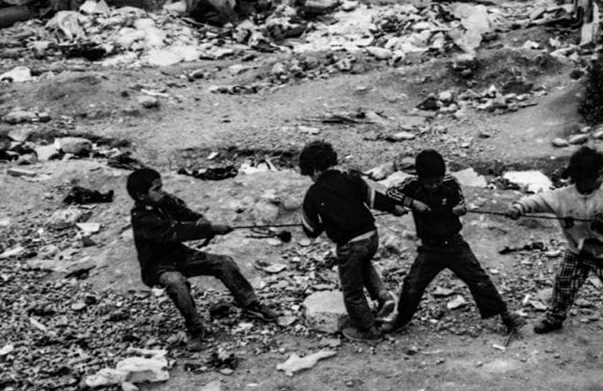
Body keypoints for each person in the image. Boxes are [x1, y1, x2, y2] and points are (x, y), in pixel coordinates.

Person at [127, 167, 279, 351]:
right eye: (157, 189)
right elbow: (175, 231)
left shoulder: (164, 201)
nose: (162, 192)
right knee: (176, 282)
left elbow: (183, 212)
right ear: (141, 196)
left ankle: (250, 303)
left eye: (161, 187)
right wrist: (211, 229)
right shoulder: (142, 217)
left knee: (223, 262)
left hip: (179, 255)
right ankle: (195, 329)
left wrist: (200, 220)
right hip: (157, 265)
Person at [506, 146, 603, 342]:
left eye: (600, 174)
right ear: (579, 178)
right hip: (577, 251)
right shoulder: (562, 196)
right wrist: (519, 208)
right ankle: (554, 318)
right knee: (564, 285)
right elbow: (537, 201)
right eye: (596, 175)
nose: (600, 178)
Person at [383, 149, 522, 335]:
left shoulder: (450, 182)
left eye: (437, 181)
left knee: (479, 279)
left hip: (455, 244)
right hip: (429, 248)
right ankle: (401, 319)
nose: (434, 186)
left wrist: (460, 209)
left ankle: (505, 316)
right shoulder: (412, 184)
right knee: (412, 284)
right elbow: (390, 192)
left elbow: (462, 203)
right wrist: (411, 202)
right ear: (420, 177)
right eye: (429, 182)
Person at [299, 140, 402, 341]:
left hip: (349, 244)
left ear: (313, 170)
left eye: (309, 174)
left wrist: (323, 224)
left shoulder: (314, 193)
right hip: (371, 237)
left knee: (352, 291)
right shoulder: (352, 179)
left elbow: (309, 229)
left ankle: (367, 329)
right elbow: (374, 199)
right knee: (364, 265)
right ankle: (383, 298)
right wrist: (395, 207)